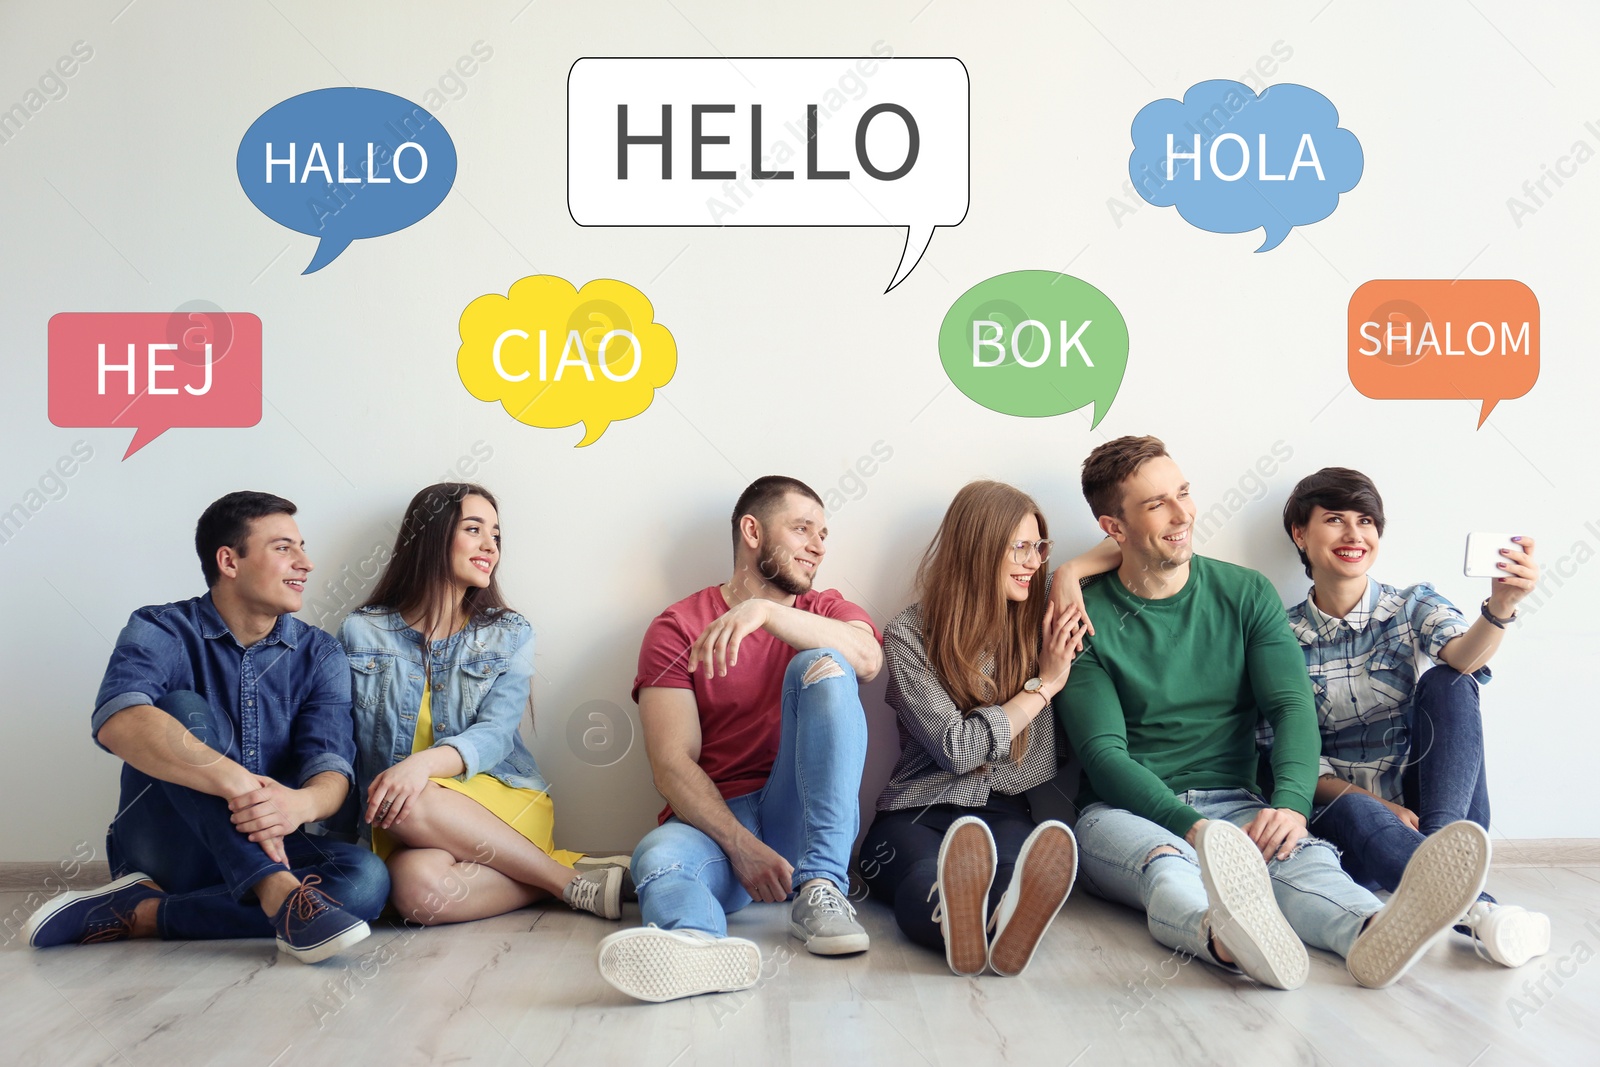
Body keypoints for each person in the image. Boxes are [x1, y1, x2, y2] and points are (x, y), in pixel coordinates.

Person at [1055, 436, 1493, 991]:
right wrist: (1193, 829)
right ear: (1113, 528)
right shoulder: (1082, 616)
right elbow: (1102, 754)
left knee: (1305, 861)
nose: (1182, 513)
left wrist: (1288, 807)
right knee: (1168, 866)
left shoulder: (1245, 594)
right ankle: (1225, 940)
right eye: (1155, 504)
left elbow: (1290, 709)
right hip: (1122, 814)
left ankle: (1373, 929)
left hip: (1239, 801)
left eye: (1183, 493)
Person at [24, 492, 387, 963]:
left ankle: (147, 914)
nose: (306, 563)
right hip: (169, 849)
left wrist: (296, 804)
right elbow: (117, 719)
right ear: (228, 560)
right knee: (178, 708)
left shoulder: (320, 654)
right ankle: (277, 890)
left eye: (302, 547)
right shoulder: (161, 627)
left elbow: (332, 769)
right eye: (284, 548)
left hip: (272, 837)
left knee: (367, 881)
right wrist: (234, 780)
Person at [596, 476, 883, 1003]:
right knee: (656, 860)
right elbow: (671, 764)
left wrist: (767, 612)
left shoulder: (825, 610)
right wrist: (741, 846)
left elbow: (867, 660)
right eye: (802, 530)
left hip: (797, 818)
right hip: (718, 825)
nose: (819, 546)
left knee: (824, 665)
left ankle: (821, 888)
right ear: (752, 531)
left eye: (824, 533)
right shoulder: (679, 627)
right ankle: (696, 947)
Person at [1279, 467, 1550, 967]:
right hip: (1352, 824)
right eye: (1334, 519)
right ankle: (1480, 911)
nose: (1354, 535)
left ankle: (1441, 850)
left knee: (1449, 679)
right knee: (1354, 807)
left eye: (1366, 521)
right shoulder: (1280, 637)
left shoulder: (1411, 605)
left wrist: (1501, 606)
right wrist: (1377, 807)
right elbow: (1289, 759)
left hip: (1435, 813)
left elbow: (1466, 658)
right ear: (1300, 533)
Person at [338, 483, 626, 926]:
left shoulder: (508, 632)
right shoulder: (362, 632)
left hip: (501, 799)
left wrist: (421, 766)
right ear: (431, 537)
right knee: (417, 893)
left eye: (496, 534)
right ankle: (566, 873)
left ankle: (564, 883)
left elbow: (495, 735)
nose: (490, 545)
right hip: (403, 817)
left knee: (407, 795)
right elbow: (339, 741)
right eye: (474, 529)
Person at [862, 480, 1102, 976]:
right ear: (977, 547)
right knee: (922, 878)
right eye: (1019, 546)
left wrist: (1071, 571)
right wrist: (1045, 686)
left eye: (1040, 547)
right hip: (915, 812)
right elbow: (957, 746)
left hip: (1007, 812)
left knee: (1017, 875)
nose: (1033, 562)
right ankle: (960, 925)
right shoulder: (911, 634)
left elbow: (1133, 539)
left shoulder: (1044, 619)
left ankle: (998, 919)